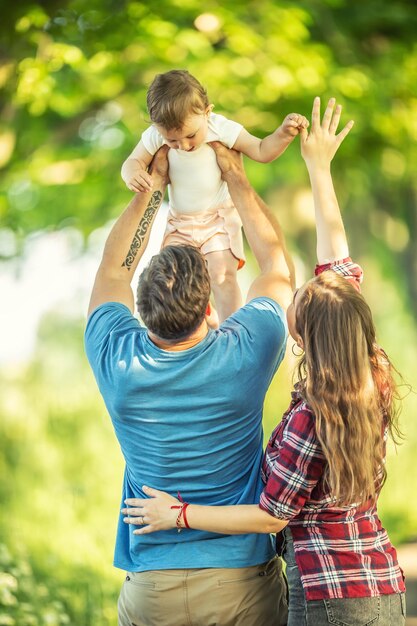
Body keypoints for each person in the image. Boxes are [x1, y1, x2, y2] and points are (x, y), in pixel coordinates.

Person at [122, 98, 407, 626]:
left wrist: (178, 514)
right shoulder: (367, 368)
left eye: (297, 300)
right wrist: (318, 167)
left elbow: (271, 515)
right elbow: (336, 268)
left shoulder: (311, 417)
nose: (295, 291)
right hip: (378, 578)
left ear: (303, 333)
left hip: (328, 596)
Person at [85, 129, 296, 621]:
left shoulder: (117, 359)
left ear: (140, 307)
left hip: (152, 591)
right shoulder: (246, 351)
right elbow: (275, 265)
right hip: (242, 586)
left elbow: (113, 272)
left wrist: (151, 189)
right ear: (208, 308)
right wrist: (237, 180)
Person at [121, 69, 308, 323]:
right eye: (172, 140)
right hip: (180, 223)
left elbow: (262, 150)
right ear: (158, 129)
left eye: (190, 135)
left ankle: (231, 327)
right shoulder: (156, 136)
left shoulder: (220, 128)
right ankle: (196, 327)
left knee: (222, 276)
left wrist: (283, 134)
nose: (184, 146)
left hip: (218, 220)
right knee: (172, 279)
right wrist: (132, 173)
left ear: (207, 112)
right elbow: (133, 161)